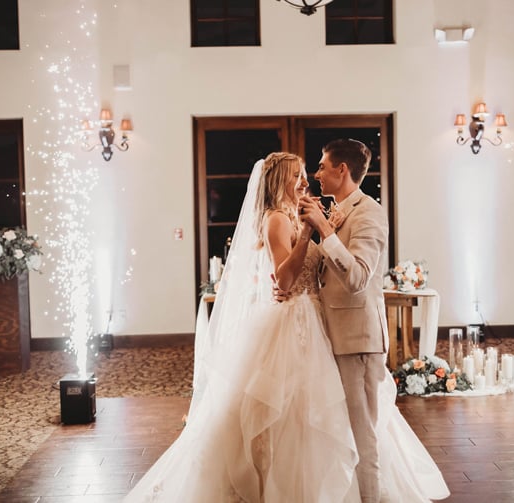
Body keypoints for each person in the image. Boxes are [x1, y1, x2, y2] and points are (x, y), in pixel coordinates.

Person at [124, 152, 361, 502]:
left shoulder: (296, 215)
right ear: (280, 180)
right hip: (291, 321)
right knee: (280, 408)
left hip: (313, 319)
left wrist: (323, 225)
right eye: (296, 176)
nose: (305, 182)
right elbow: (285, 277)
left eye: (304, 175)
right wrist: (309, 232)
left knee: (306, 412)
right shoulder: (276, 219)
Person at [296, 138, 450, 502]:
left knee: (364, 432)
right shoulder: (338, 209)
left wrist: (326, 231)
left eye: (321, 166)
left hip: (357, 340)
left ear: (341, 170)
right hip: (329, 335)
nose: (316, 174)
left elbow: (357, 278)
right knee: (341, 429)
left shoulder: (369, 213)